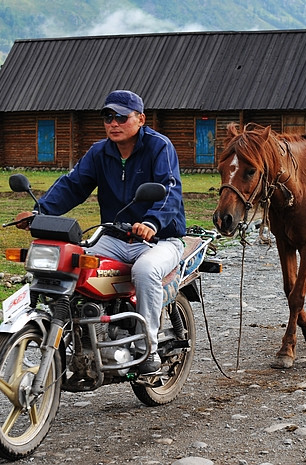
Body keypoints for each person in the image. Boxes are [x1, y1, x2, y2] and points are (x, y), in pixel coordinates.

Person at [16, 90, 186, 374]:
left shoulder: (159, 147)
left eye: (121, 116)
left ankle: (148, 349)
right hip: (115, 238)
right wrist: (39, 212)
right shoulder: (100, 151)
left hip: (160, 238)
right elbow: (73, 186)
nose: (113, 123)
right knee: (73, 264)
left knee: (144, 271)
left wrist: (152, 222)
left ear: (141, 119)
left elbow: (169, 190)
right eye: (108, 116)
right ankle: (86, 333)